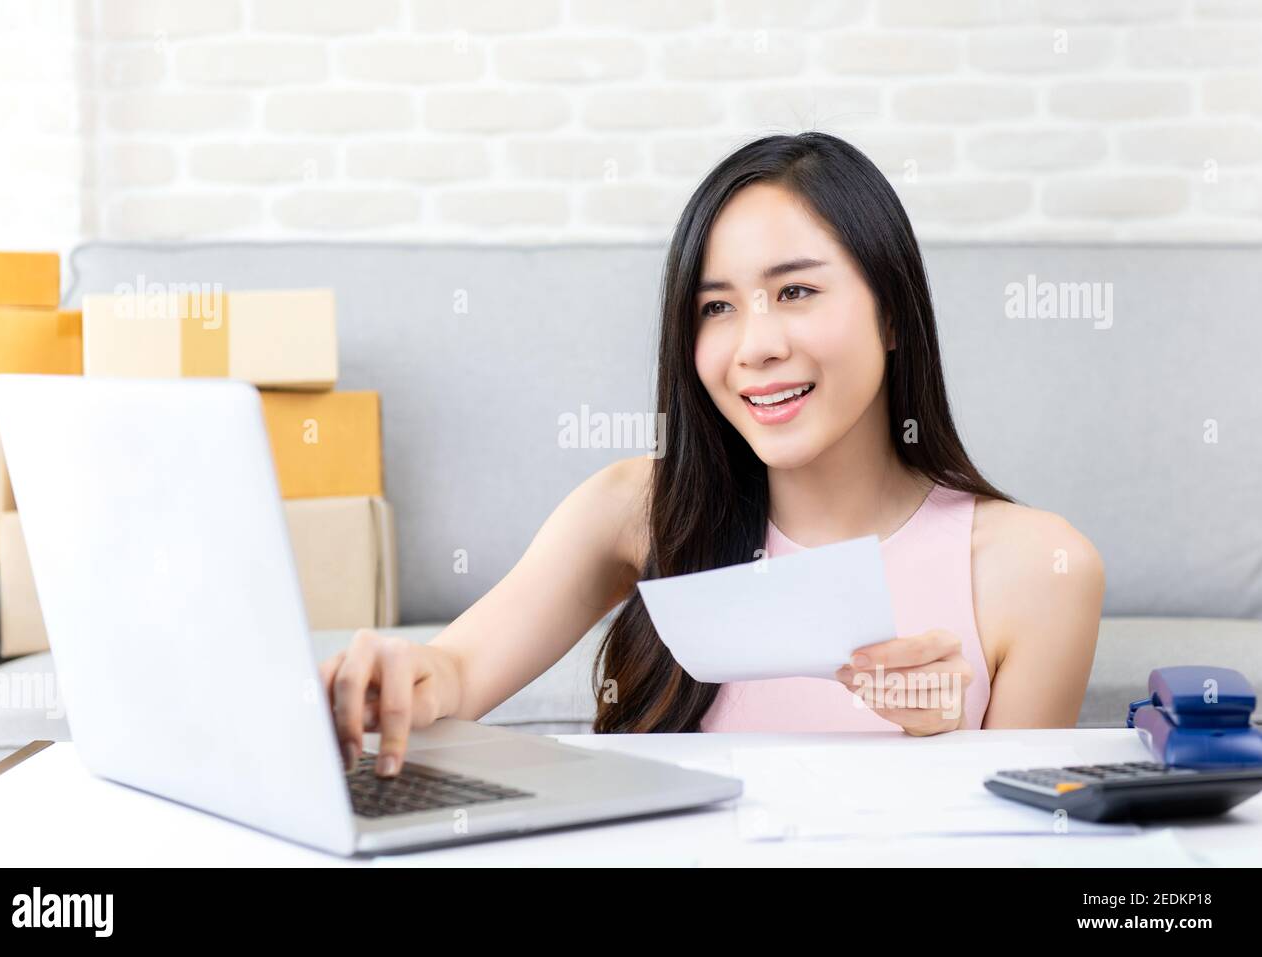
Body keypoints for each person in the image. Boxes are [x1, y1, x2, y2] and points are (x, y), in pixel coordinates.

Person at [321, 132, 1104, 778]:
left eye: (796, 292)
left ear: (892, 315)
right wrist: (397, 680)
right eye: (717, 307)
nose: (756, 346)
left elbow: (1024, 844)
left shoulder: (1040, 568)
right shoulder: (636, 510)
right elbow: (456, 671)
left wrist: (946, 747)